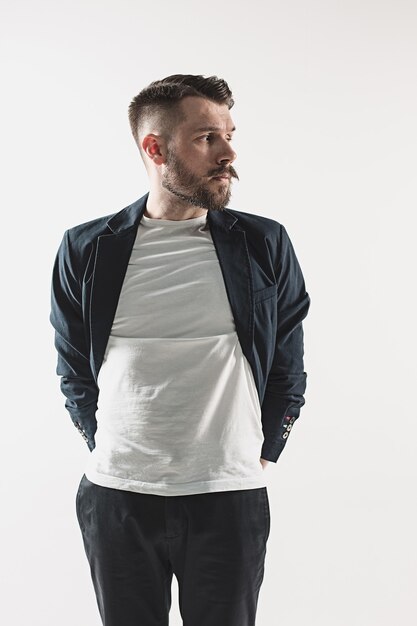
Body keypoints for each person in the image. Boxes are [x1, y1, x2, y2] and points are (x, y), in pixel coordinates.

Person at [50, 73, 310, 626]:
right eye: (206, 138)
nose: (229, 152)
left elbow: (288, 357)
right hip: (118, 497)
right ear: (155, 148)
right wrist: (103, 442)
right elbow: (73, 364)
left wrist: (265, 447)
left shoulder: (263, 243)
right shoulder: (87, 248)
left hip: (228, 496)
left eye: (229, 134)